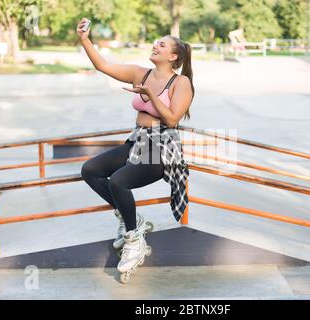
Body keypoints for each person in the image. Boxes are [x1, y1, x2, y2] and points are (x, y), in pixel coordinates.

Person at [76, 18, 193, 282]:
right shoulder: (142, 73)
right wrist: (84, 39)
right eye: (156, 43)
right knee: (90, 170)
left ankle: (134, 239)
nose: (155, 46)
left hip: (161, 147)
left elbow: (173, 119)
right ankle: (133, 220)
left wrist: (151, 96)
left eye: (161, 45)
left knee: (118, 181)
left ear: (173, 56)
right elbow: (103, 66)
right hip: (137, 141)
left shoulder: (180, 83)